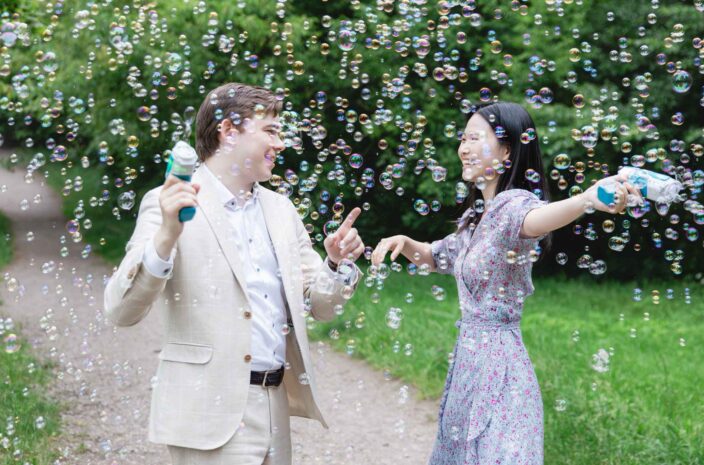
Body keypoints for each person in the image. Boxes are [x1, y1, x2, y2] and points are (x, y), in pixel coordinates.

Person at [104, 82, 365, 465]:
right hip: (207, 409)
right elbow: (121, 310)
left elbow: (320, 304)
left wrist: (336, 265)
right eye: (271, 132)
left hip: (274, 405)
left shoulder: (280, 211)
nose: (281, 144)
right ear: (229, 131)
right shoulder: (173, 203)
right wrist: (166, 236)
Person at [372, 102, 641, 465]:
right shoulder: (476, 217)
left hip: (501, 372)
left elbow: (536, 219)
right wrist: (404, 243)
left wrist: (585, 200)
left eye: (474, 138)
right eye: (462, 139)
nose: (463, 148)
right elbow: (437, 256)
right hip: (469, 365)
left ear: (507, 150)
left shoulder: (513, 206)